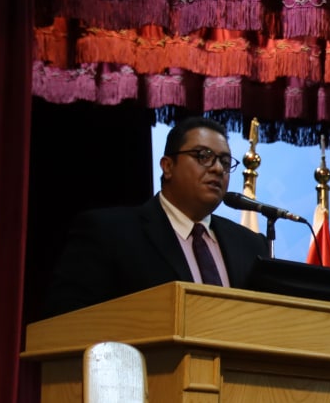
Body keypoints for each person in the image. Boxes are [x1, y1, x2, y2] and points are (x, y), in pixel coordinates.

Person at [41, 115, 270, 318]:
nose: (218, 169)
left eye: (225, 162)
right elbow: (66, 317)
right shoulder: (109, 233)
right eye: (203, 156)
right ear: (167, 166)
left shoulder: (250, 245)